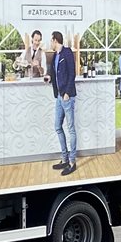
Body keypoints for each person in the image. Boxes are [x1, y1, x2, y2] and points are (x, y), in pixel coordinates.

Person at [50, 29, 78, 174]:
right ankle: (65, 158)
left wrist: (67, 92)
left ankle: (72, 162)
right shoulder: (55, 55)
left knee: (71, 129)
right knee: (57, 126)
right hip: (59, 97)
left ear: (55, 40)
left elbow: (72, 73)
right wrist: (49, 78)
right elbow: (55, 74)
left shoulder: (67, 52)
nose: (51, 43)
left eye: (51, 40)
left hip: (67, 96)